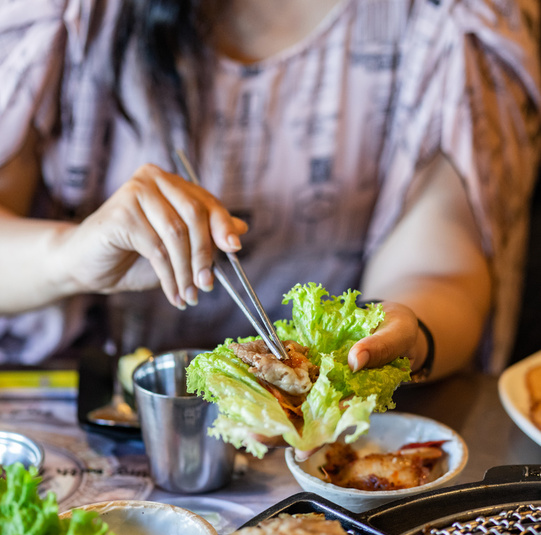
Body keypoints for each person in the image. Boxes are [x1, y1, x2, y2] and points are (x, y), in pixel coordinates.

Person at [0, 0, 539, 379]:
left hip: (330, 442)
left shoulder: (445, 19)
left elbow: (441, 270)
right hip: (79, 417)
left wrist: (400, 333)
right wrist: (69, 255)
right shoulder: (70, 13)